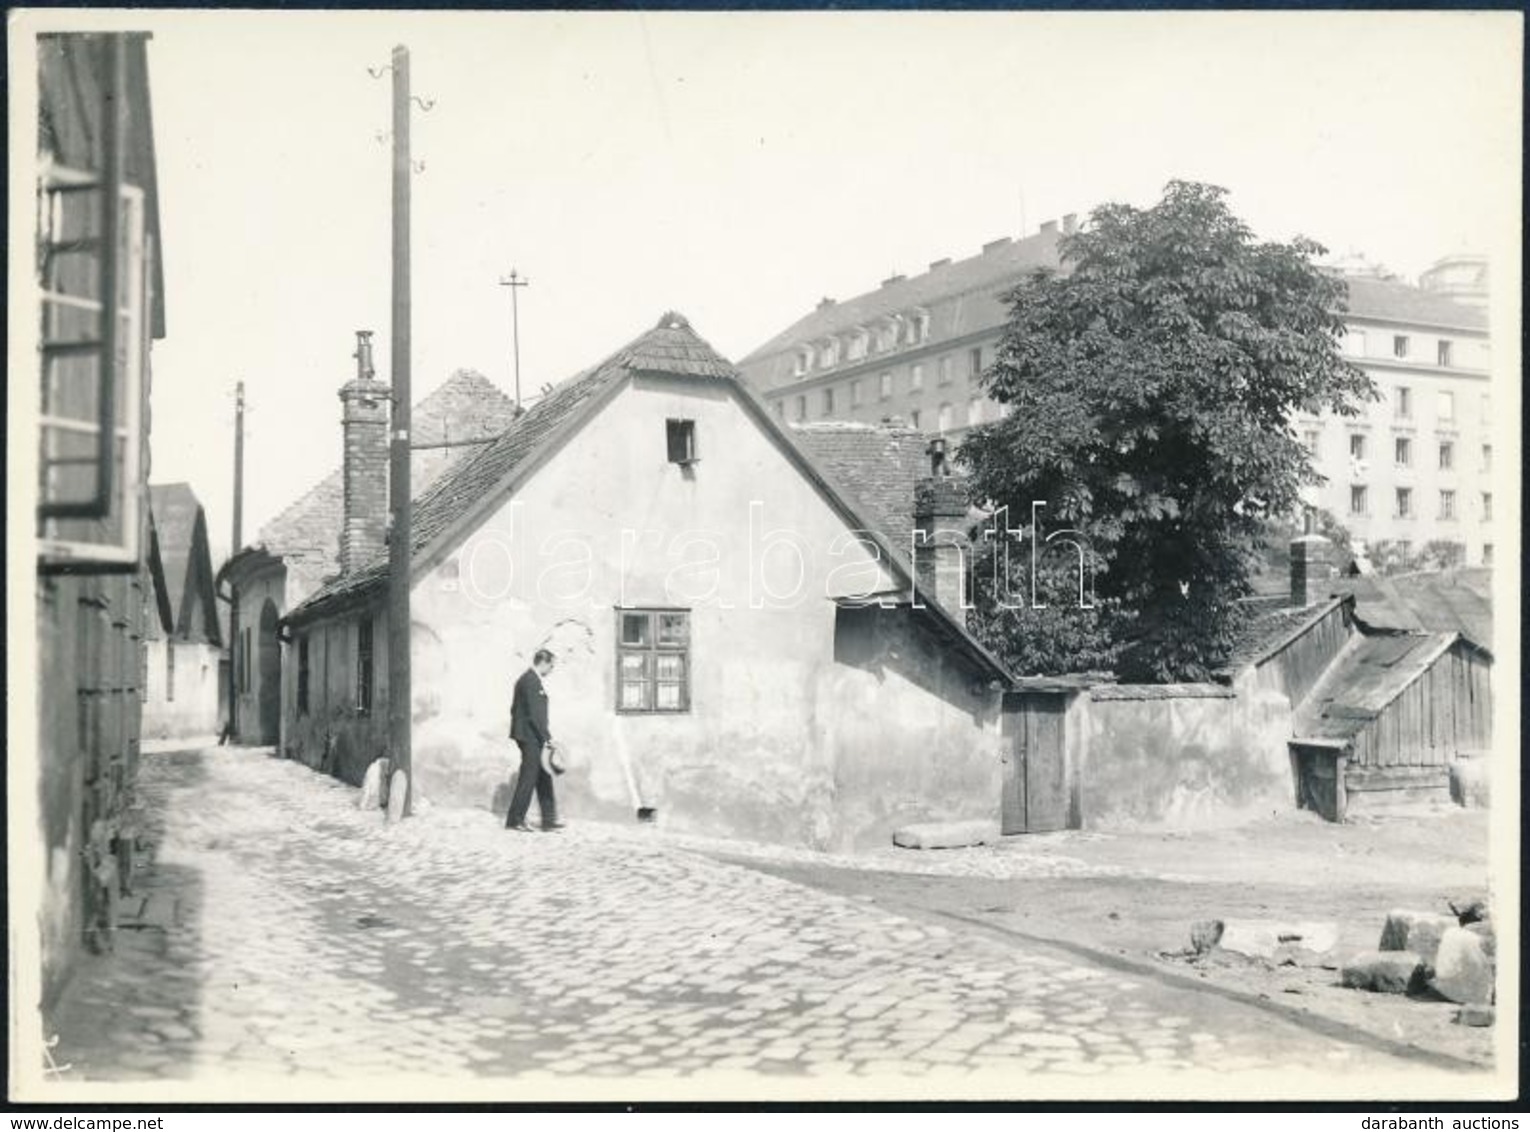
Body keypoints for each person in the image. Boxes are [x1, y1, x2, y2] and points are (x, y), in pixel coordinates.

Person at [506, 648, 561, 832]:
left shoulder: (530, 680)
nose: (551, 670)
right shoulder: (530, 681)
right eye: (551, 666)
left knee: (544, 775)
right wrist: (546, 738)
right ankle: (515, 820)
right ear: (543, 662)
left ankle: (549, 820)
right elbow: (534, 715)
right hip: (531, 737)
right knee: (528, 777)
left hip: (532, 735)